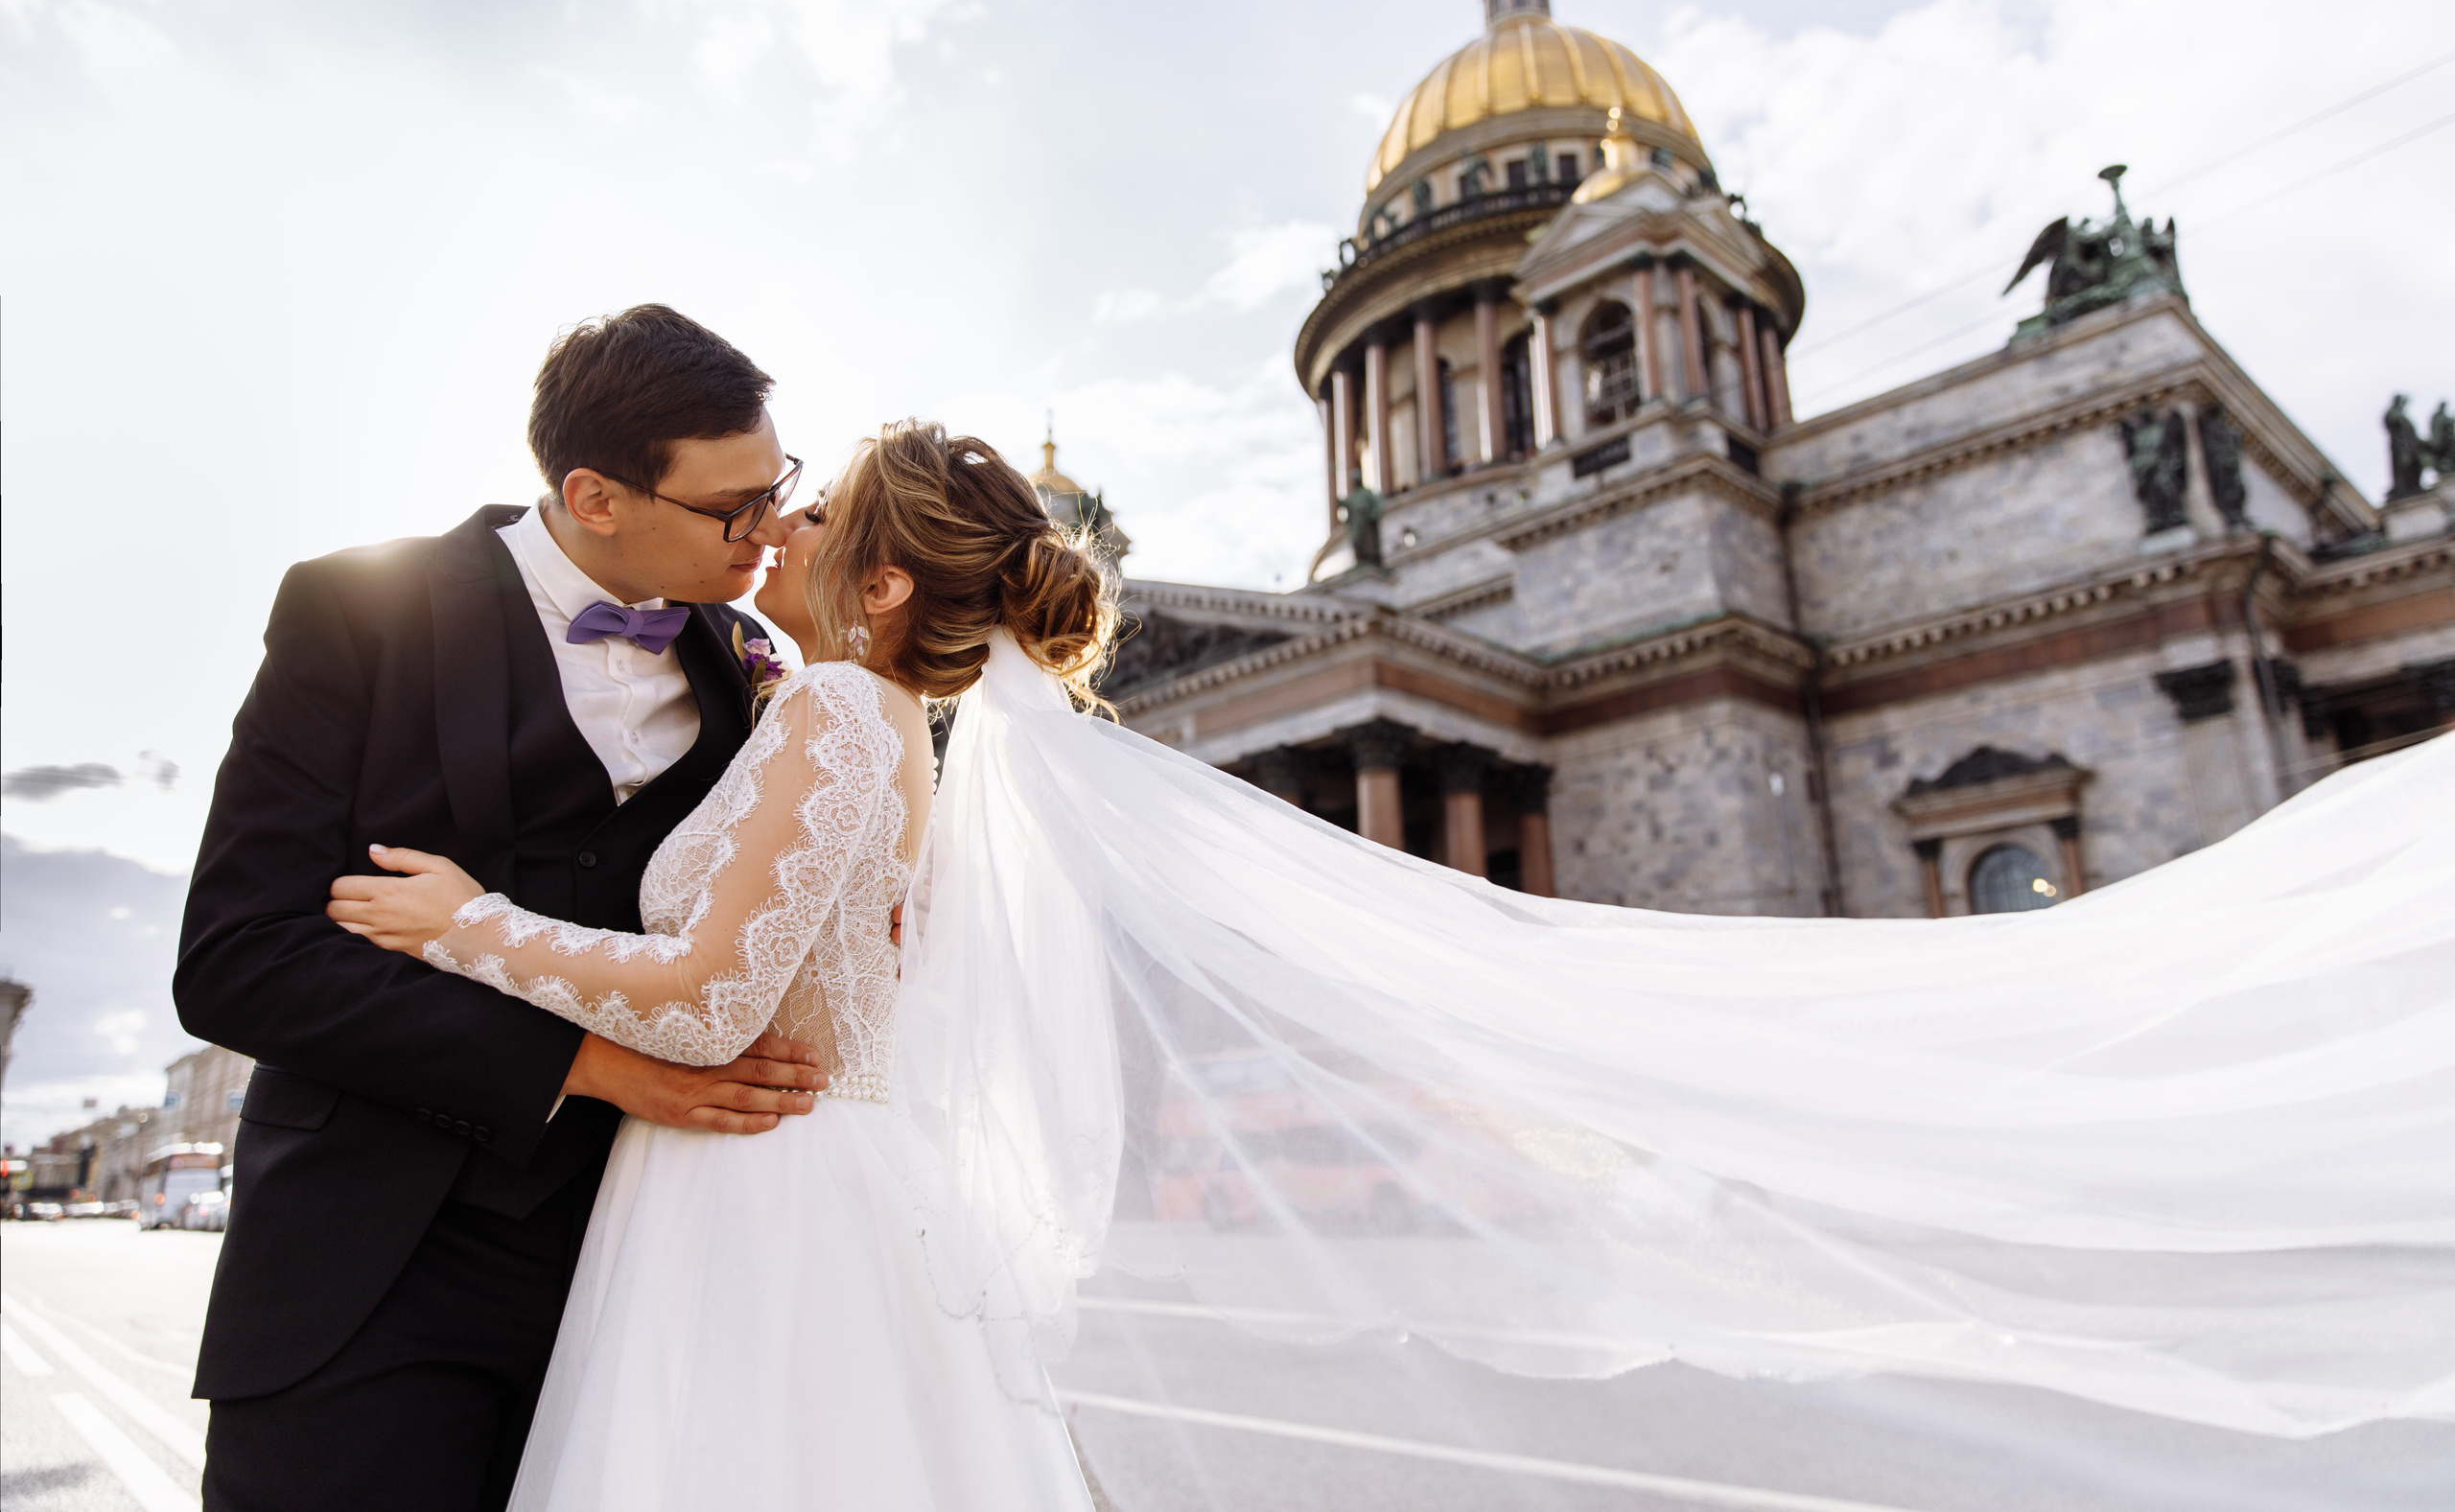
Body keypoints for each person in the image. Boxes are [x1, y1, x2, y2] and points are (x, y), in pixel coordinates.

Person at [333, 426, 2455, 1497]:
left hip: (758, 1202)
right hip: (834, 1199)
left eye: (805, 517)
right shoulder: (911, 734)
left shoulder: (828, 710)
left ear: (883, 580)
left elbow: (707, 995)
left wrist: (466, 926)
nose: (766, 531)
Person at [176, 304, 835, 1512]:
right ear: (595, 498)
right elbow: (239, 958)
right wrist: (586, 1063)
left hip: (643, 1271)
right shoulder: (352, 610)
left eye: (776, 484)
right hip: (369, 1271)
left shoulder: (765, 668)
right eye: (731, 507)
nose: (770, 527)